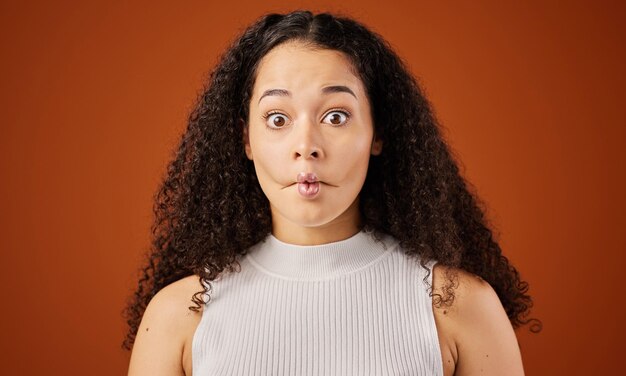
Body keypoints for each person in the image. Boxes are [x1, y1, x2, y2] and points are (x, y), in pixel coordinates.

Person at [124, 9, 539, 376]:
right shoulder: (179, 315)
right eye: (277, 118)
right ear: (245, 139)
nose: (307, 144)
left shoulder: (459, 306)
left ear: (378, 133)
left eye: (336, 116)